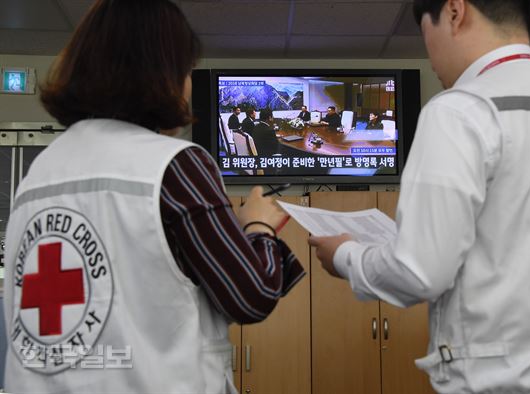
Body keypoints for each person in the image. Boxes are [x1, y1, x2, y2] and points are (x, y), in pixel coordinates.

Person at [309, 0, 530, 393]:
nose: (429, 58)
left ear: (454, 12)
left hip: (509, 381)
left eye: (425, 33)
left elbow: (419, 272)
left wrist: (345, 255)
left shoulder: (461, 110)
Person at [2, 1, 304, 393]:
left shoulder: (37, 173)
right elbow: (251, 296)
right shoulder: (174, 166)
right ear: (163, 74)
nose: (189, 84)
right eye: (187, 70)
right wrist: (257, 224)